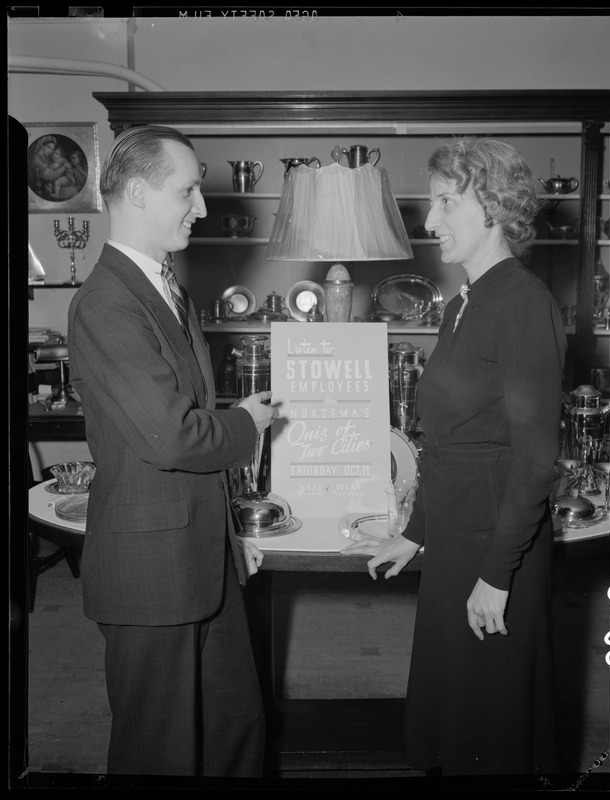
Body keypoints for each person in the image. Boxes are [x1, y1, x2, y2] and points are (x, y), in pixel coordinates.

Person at [343, 137, 566, 777]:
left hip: (495, 549)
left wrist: (497, 577)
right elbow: (447, 440)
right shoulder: (466, 302)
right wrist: (415, 535)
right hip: (457, 538)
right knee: (456, 714)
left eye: (446, 202)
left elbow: (535, 459)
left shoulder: (523, 304)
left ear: (493, 207)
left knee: (490, 727)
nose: (430, 220)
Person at [67, 125, 277, 778]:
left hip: (199, 556)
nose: (204, 206)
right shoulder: (106, 302)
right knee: (158, 753)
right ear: (136, 191)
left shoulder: (168, 289)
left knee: (234, 727)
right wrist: (248, 426)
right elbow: (172, 434)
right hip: (150, 574)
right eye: (188, 190)